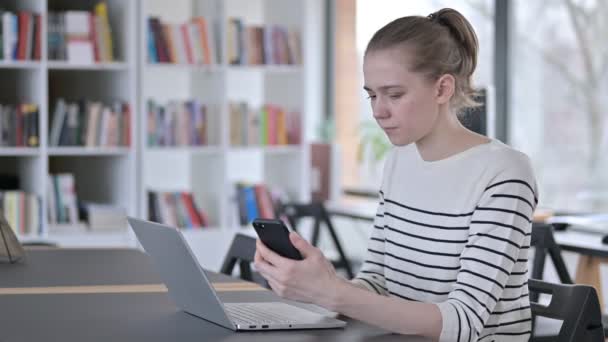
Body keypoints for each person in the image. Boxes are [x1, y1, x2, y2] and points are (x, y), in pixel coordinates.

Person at [254, 8, 537, 342]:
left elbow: (463, 322)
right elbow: (378, 280)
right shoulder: (399, 160)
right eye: (372, 94)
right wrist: (317, 287)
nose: (377, 111)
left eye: (394, 94)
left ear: (442, 89)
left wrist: (334, 294)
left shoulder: (504, 172)